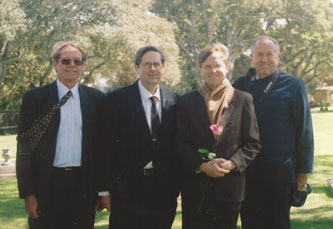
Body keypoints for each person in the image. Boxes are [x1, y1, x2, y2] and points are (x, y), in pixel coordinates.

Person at [16, 41, 104, 229]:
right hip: (47, 184)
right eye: (66, 61)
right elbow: (24, 147)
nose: (72, 65)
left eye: (77, 61)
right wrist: (28, 193)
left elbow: (102, 148)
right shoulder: (35, 98)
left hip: (83, 185)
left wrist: (102, 190)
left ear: (83, 66)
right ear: (55, 64)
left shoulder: (96, 99)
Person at [176, 43, 261, 229]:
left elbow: (253, 143)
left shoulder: (243, 99)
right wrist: (202, 165)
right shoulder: (186, 101)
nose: (213, 70)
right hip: (196, 189)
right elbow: (181, 142)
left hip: (230, 188)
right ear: (200, 69)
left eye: (218, 65)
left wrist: (232, 164)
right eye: (207, 66)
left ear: (227, 67)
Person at [233, 35, 314, 229]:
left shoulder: (294, 85)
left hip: (281, 174)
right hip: (247, 172)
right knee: (250, 223)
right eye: (259, 54)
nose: (264, 59)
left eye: (269, 54)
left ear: (278, 57)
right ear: (252, 57)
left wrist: (303, 171)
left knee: (278, 223)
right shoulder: (240, 85)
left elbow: (304, 130)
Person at [98, 45, 180, 228]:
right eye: (147, 64)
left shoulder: (175, 100)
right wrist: (104, 189)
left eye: (156, 64)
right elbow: (105, 147)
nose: (152, 69)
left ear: (163, 67)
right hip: (127, 192)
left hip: (164, 192)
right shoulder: (115, 100)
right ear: (137, 67)